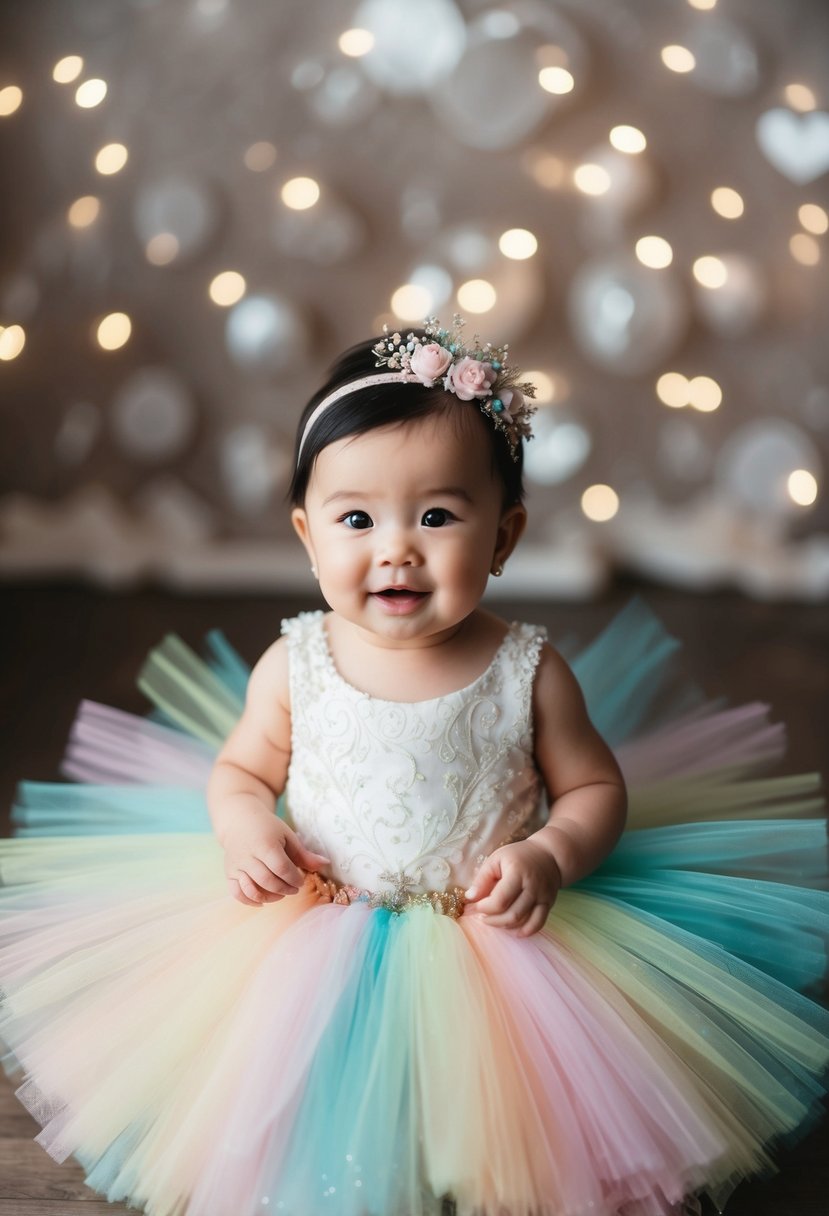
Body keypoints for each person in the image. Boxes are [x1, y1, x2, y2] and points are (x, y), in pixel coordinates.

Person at [0, 314, 827, 1216]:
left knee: (493, 1091)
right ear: (308, 536)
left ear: (504, 538)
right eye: (355, 518)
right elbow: (239, 771)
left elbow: (593, 788)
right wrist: (246, 827)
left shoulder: (528, 670)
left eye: (437, 515)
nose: (395, 547)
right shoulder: (296, 665)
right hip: (314, 921)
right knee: (305, 1074)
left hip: (493, 937)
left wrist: (549, 854)